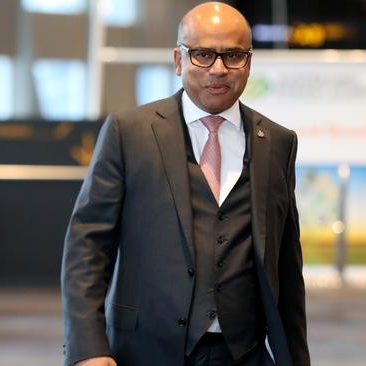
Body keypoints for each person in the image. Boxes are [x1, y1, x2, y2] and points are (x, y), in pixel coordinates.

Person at [61, 2, 310, 366]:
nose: (219, 69)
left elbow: (287, 269)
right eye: (203, 54)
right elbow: (87, 248)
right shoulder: (128, 133)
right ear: (179, 61)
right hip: (145, 352)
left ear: (249, 63)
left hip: (245, 354)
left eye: (233, 55)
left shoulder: (277, 142)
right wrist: (89, 350)